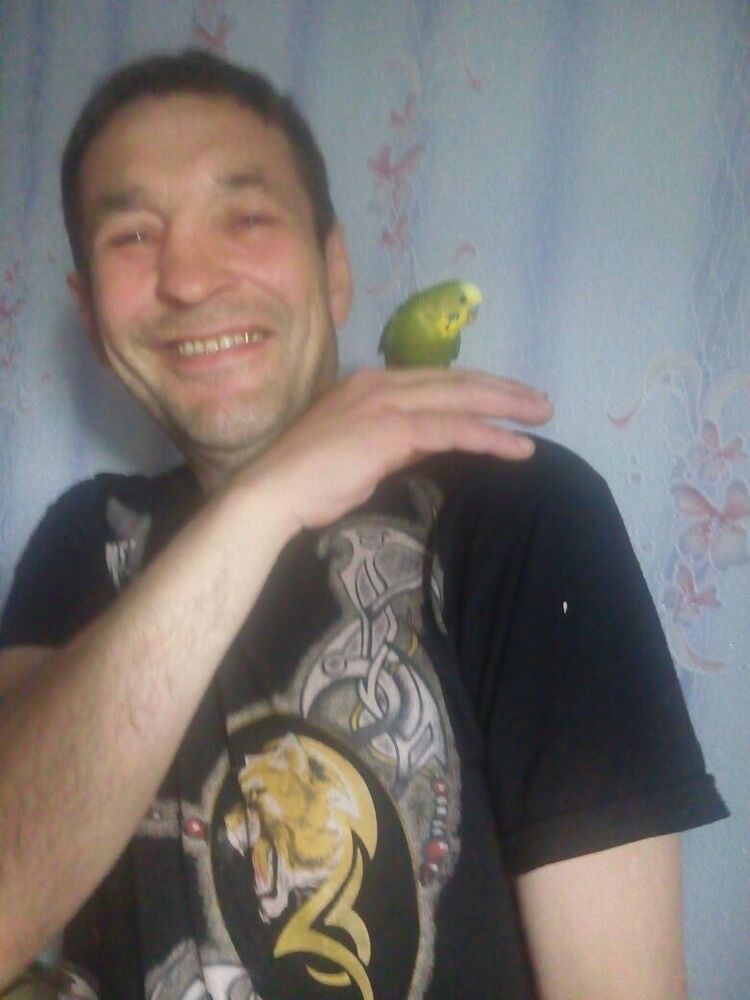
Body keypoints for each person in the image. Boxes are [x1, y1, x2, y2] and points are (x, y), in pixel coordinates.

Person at [0, 49, 726, 1000]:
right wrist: (260, 504)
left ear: (335, 273)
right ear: (93, 319)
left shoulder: (523, 510)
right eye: (133, 235)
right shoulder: (82, 541)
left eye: (245, 217)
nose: (189, 278)